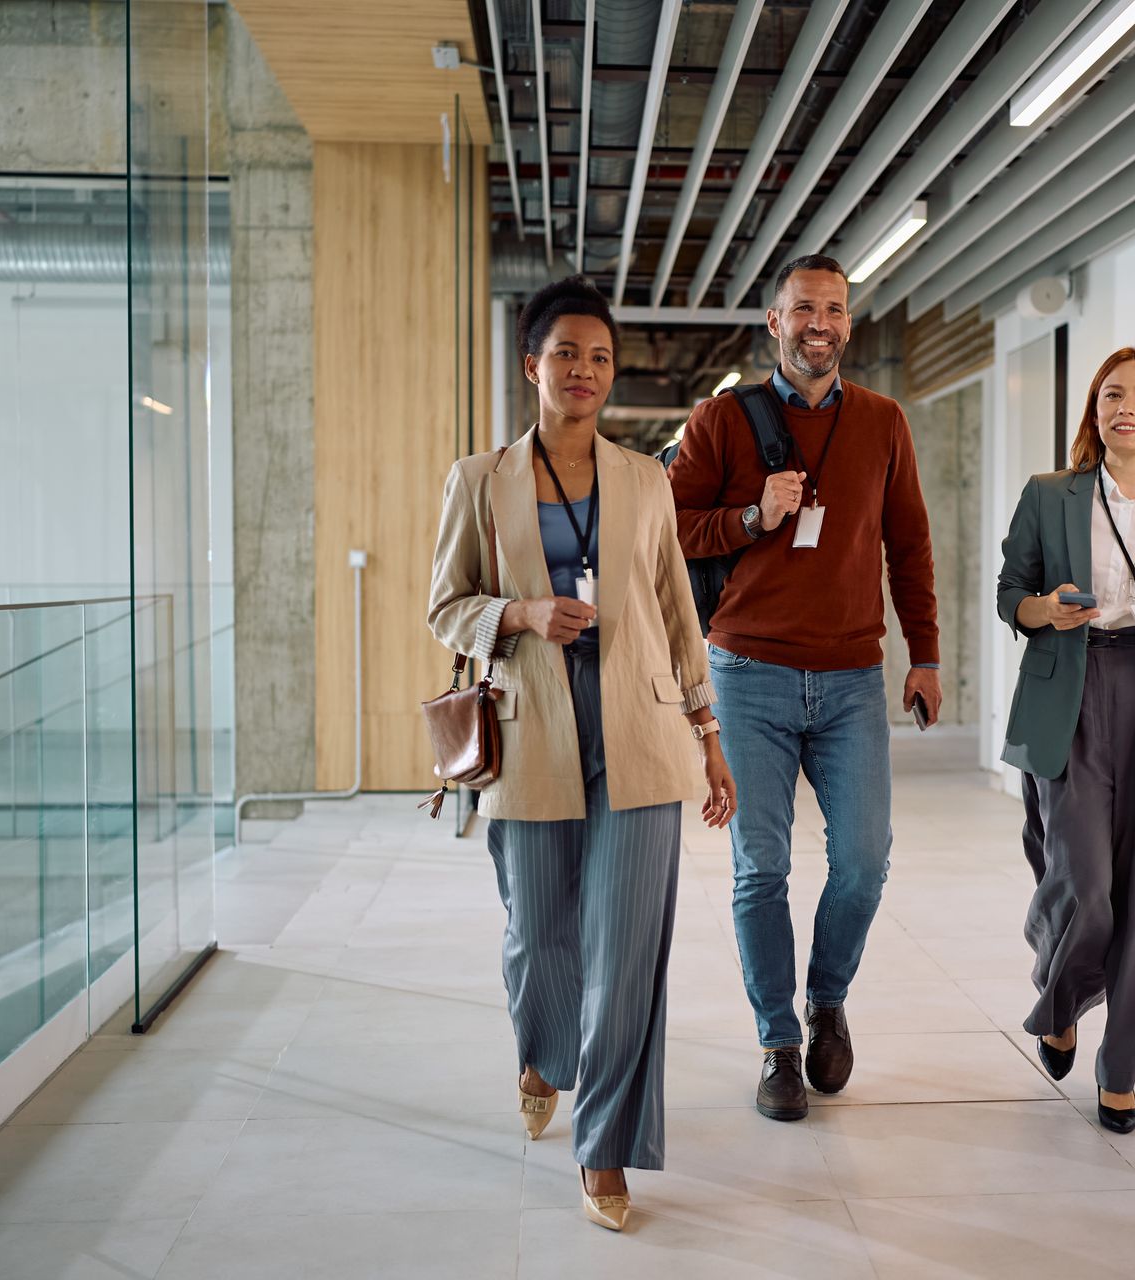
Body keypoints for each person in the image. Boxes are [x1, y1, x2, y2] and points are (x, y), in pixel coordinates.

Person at [427, 277, 736, 1231]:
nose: (584, 372)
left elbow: (679, 616)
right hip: (532, 729)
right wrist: (521, 612)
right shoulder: (479, 480)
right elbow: (447, 605)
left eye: (599, 357)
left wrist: (709, 735)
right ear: (533, 365)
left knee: (628, 951)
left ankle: (605, 1148)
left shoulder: (647, 479)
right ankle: (542, 1044)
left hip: (639, 732)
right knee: (540, 935)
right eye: (566, 354)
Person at [667, 254, 942, 1121]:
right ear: (775, 323)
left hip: (855, 676)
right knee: (762, 868)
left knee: (863, 861)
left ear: (848, 325)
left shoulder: (883, 422)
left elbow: (911, 547)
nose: (818, 323)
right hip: (748, 674)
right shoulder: (720, 421)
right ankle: (778, 1045)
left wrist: (925, 655)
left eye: (833, 309)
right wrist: (752, 518)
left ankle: (828, 1000)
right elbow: (666, 533)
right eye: (802, 309)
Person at [995, 345, 1135, 1136]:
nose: (1124, 406)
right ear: (1094, 411)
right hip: (1076, 690)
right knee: (1085, 884)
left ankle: (1118, 1070)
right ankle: (1060, 1002)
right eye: (1110, 394)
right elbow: (1007, 595)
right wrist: (1043, 610)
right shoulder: (1050, 495)